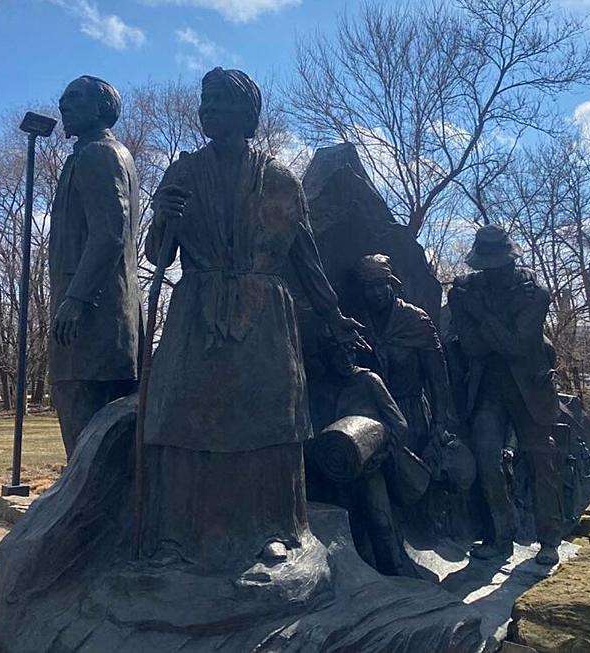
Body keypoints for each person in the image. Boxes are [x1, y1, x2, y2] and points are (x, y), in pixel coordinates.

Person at [140, 68, 365, 569]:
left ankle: (272, 527)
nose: (207, 109)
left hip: (264, 314)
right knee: (182, 419)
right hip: (197, 308)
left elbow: (305, 258)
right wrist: (164, 217)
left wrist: (334, 316)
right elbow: (157, 255)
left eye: (219, 101)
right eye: (205, 100)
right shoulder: (181, 174)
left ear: (247, 114)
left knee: (267, 423)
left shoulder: (281, 181)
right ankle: (175, 535)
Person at [448, 225, 564, 566]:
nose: (494, 272)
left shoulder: (535, 294)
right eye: (487, 266)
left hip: (530, 387)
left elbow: (518, 346)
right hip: (487, 389)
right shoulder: (464, 293)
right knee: (487, 460)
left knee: (543, 460)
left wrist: (481, 315)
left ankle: (550, 539)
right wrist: (488, 327)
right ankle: (501, 535)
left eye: (499, 264)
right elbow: (470, 346)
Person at [48, 75, 141, 459]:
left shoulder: (99, 154)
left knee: (89, 446)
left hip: (93, 326)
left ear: (101, 108)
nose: (63, 105)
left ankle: (88, 518)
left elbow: (108, 234)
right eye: (63, 96)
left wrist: (76, 299)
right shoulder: (91, 155)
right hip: (103, 325)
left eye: (73, 98)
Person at [307, 336, 419, 577]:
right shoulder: (318, 388)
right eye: (339, 352)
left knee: (381, 522)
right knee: (348, 530)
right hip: (334, 473)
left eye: (351, 352)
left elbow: (399, 424)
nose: (347, 358)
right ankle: (363, 579)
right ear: (327, 356)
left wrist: (381, 454)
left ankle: (396, 576)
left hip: (370, 469)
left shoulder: (368, 381)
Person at [354, 254, 455, 456]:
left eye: (381, 285)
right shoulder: (357, 323)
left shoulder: (416, 321)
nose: (376, 293)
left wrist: (440, 422)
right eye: (369, 287)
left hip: (412, 413)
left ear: (391, 284)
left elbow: (438, 378)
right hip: (371, 415)